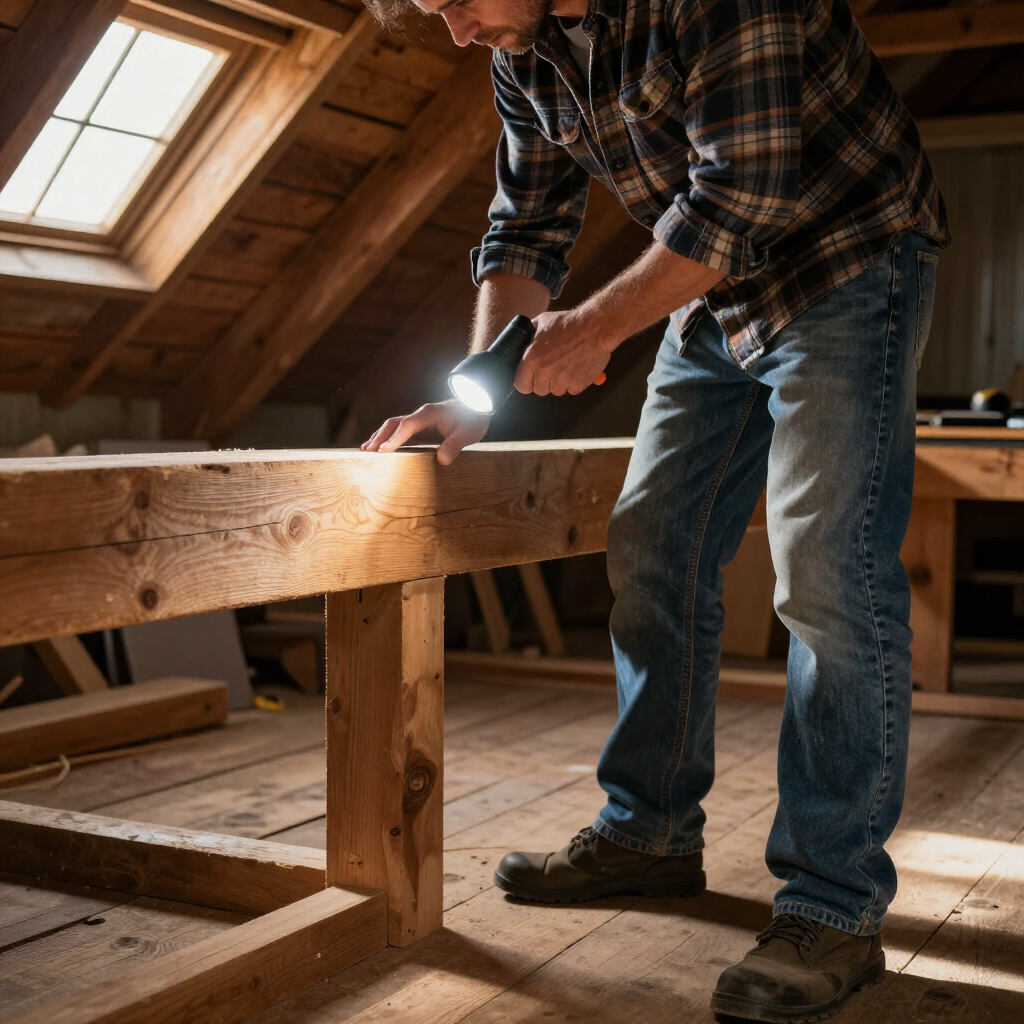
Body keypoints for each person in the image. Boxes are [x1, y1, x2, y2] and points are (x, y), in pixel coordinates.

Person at [361, 0, 949, 1018]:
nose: (452, 31)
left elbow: (742, 196)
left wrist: (593, 327)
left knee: (824, 572)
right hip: (711, 290)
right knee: (653, 546)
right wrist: (476, 392)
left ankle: (832, 902)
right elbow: (525, 226)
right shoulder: (521, 47)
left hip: (845, 254)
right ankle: (649, 832)